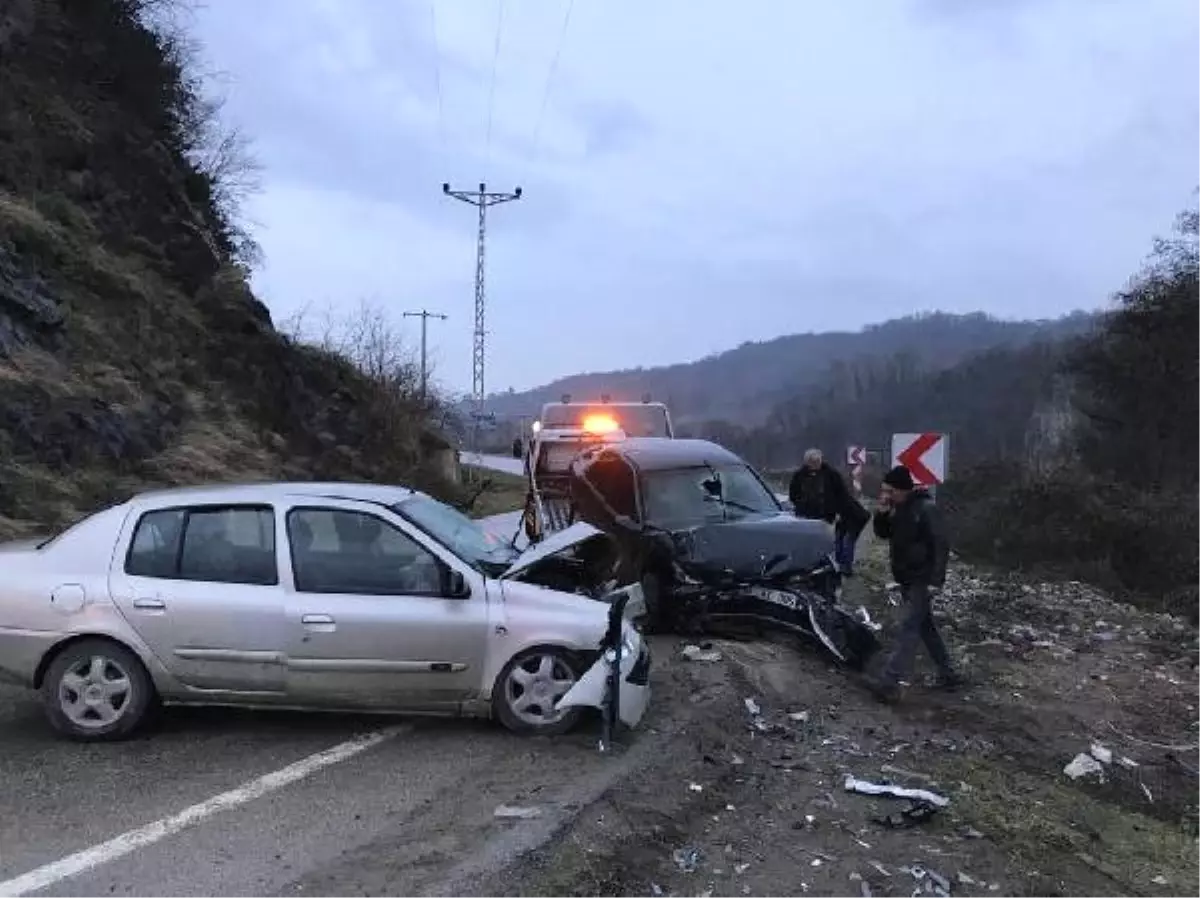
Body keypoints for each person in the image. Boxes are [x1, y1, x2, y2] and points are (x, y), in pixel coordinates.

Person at [865, 465, 963, 702]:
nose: (886, 494)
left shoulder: (925, 508)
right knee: (925, 627)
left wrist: (935, 580)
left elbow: (940, 545)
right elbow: (883, 533)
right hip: (906, 576)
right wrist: (881, 513)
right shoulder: (898, 509)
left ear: (903, 489)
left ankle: (889, 681)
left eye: (890, 490)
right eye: (884, 490)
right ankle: (948, 674)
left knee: (909, 628)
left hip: (922, 577)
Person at [788, 448, 866, 574]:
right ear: (806, 462)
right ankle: (807, 564)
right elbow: (793, 495)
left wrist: (839, 512)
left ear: (821, 460)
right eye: (811, 462)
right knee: (807, 542)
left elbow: (841, 494)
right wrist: (801, 504)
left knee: (829, 542)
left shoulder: (831, 474)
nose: (814, 464)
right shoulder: (799, 475)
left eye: (817, 461)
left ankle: (831, 565)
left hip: (827, 515)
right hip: (805, 516)